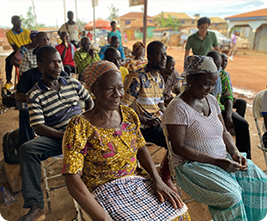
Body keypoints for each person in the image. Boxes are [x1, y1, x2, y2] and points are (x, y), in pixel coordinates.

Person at [62, 60, 190, 221]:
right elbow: (72, 177)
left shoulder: (129, 114)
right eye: (110, 89)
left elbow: (142, 149)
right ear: (93, 89)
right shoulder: (79, 126)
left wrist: (158, 180)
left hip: (135, 182)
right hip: (102, 189)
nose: (118, 94)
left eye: (120, 87)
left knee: (180, 213)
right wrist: (102, 217)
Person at [162, 55, 267, 221]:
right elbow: (179, 147)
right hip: (193, 166)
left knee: (260, 181)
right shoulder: (177, 108)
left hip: (223, 157)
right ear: (190, 79)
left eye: (213, 84)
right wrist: (217, 162)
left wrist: (234, 152)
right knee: (232, 195)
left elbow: (224, 132)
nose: (210, 89)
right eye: (206, 84)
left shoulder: (211, 100)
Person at [18, 45, 93, 221]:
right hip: (57, 137)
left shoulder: (73, 83)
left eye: (59, 61)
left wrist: (85, 121)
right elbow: (38, 127)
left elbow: (89, 103)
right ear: (40, 66)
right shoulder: (35, 94)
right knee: (27, 149)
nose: (58, 66)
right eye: (52, 62)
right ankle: (37, 207)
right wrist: (65, 136)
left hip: (82, 131)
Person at [122, 41, 177, 192]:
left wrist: (167, 115)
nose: (164, 58)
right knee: (173, 140)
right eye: (161, 54)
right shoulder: (136, 78)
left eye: (165, 54)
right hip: (140, 127)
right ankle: (165, 177)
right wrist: (145, 119)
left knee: (180, 135)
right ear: (150, 56)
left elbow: (160, 105)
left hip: (155, 123)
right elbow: (122, 108)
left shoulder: (159, 79)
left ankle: (165, 172)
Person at [207, 51, 251, 159]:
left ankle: (244, 158)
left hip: (219, 108)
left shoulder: (223, 75)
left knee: (243, 124)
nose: (217, 69)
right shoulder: (201, 75)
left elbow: (228, 95)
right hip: (204, 110)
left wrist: (228, 115)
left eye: (218, 66)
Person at [5, 16, 31, 89]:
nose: (19, 23)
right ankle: (9, 81)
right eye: (17, 21)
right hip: (18, 51)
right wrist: (20, 55)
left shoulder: (27, 32)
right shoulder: (9, 34)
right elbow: (14, 47)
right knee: (8, 60)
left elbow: (31, 44)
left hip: (28, 51)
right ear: (12, 22)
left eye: (20, 21)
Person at [221, 53, 247, 118]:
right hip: (218, 99)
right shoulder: (215, 74)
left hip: (226, 98)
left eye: (226, 61)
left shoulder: (226, 74)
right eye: (222, 61)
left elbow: (229, 88)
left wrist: (231, 96)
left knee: (242, 103)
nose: (224, 63)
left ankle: (238, 119)